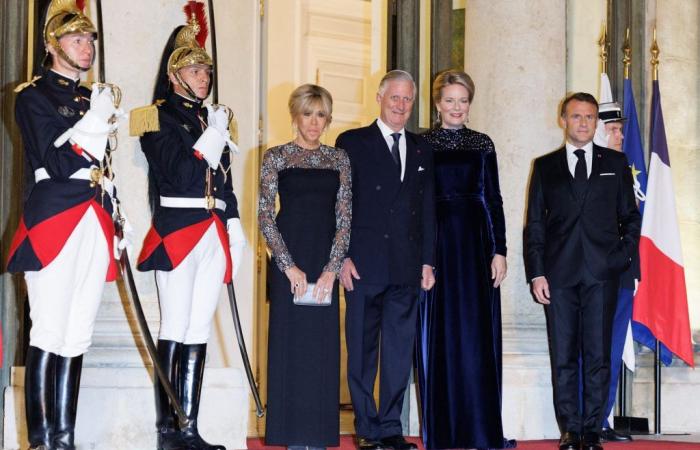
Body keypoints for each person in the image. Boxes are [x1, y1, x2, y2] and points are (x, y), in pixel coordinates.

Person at [6, 1, 125, 448]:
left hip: (94, 217)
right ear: (53, 46)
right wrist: (94, 121)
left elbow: (103, 168)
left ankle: (64, 437)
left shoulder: (89, 98)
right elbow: (56, 162)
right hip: (56, 217)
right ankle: (40, 442)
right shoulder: (32, 96)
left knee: (79, 333)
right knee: (49, 329)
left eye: (90, 40)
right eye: (77, 40)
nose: (87, 47)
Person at [130, 9, 244, 450]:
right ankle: (166, 431)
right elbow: (180, 175)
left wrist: (233, 222)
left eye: (207, 71)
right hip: (178, 227)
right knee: (175, 325)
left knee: (199, 328)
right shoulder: (155, 116)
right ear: (175, 76)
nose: (204, 78)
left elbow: (224, 180)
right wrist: (212, 136)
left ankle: (190, 428)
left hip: (213, 228)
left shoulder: (210, 119)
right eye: (196, 70)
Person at [524, 92, 641, 450]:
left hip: (601, 276)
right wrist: (537, 273)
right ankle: (570, 429)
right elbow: (535, 227)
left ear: (595, 122)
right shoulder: (544, 166)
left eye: (590, 117)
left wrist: (620, 259)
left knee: (598, 355)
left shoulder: (616, 163)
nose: (584, 123)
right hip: (558, 277)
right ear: (563, 119)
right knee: (563, 355)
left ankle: (591, 428)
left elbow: (630, 219)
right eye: (576, 116)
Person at [336, 70, 435, 450]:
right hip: (362, 263)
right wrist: (341, 256)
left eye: (408, 99)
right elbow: (340, 205)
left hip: (406, 266)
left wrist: (428, 261)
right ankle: (366, 426)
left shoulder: (423, 147)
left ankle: (391, 427)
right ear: (378, 98)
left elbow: (426, 208)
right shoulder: (352, 142)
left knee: (397, 350)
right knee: (362, 350)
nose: (401, 105)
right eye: (394, 97)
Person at [417, 70, 514, 449]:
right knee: (441, 333)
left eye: (463, 100)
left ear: (469, 104)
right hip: (437, 244)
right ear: (438, 103)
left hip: (475, 245)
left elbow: (494, 199)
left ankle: (482, 430)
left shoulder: (482, 143)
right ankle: (443, 431)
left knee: (476, 337)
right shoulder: (422, 143)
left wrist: (499, 249)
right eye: (450, 100)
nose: (456, 107)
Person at [258, 84, 351, 450]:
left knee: (321, 349)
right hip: (289, 266)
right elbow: (265, 217)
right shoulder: (275, 157)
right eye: (308, 113)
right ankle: (289, 435)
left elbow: (345, 218)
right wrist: (288, 267)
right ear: (295, 115)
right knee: (290, 347)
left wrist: (331, 269)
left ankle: (319, 435)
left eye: (321, 115)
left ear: (328, 119)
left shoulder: (339, 159)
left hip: (325, 264)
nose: (314, 122)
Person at [591, 101, 636, 443]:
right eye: (614, 129)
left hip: (619, 275)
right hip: (589, 276)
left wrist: (631, 268)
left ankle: (603, 417)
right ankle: (584, 417)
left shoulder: (621, 168)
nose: (620, 134)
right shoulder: (581, 169)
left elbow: (631, 223)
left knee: (612, 346)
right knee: (588, 348)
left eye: (620, 128)